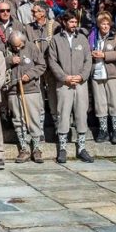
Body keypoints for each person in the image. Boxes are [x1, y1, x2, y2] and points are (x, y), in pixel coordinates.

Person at [46, 13, 94, 163]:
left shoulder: (82, 39)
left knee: (81, 114)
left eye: (75, 22)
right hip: (64, 83)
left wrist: (82, 76)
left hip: (80, 82)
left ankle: (81, 147)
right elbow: (52, 61)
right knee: (63, 114)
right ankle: (62, 148)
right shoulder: (56, 40)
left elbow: (88, 59)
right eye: (71, 22)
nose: (74, 24)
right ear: (64, 22)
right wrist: (64, 77)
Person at [6, 30, 46, 163]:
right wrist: (10, 60)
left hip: (30, 89)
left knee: (33, 118)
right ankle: (24, 148)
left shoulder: (32, 47)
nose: (17, 48)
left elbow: (41, 65)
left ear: (23, 42)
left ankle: (36, 148)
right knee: (18, 119)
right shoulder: (7, 48)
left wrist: (29, 75)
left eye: (19, 45)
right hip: (13, 89)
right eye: (14, 46)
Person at [90, 11, 116, 144]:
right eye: (102, 24)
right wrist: (91, 53)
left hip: (111, 74)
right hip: (96, 73)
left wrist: (104, 55)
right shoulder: (92, 37)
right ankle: (103, 130)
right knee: (100, 103)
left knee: (114, 102)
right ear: (98, 25)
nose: (105, 26)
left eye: (107, 24)